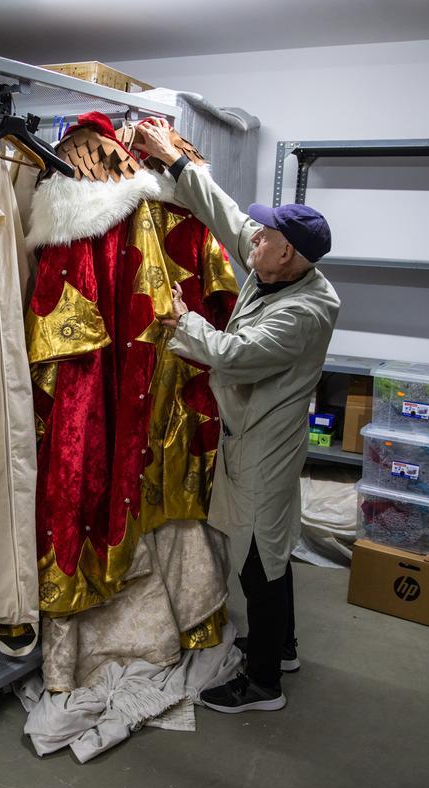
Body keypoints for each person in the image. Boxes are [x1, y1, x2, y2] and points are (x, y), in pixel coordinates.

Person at [135, 118, 341, 713]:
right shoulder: (273, 260)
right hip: (254, 430)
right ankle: (286, 646)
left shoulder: (305, 311)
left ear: (290, 254)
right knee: (273, 547)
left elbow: (235, 356)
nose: (252, 241)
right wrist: (172, 159)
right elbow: (222, 209)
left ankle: (263, 682)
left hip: (264, 441)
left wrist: (181, 320)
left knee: (258, 558)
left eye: (265, 237)